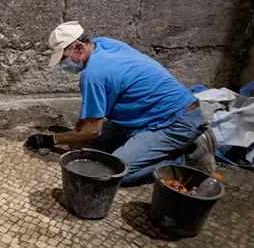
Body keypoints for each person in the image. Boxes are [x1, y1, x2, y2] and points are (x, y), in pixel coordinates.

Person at [25, 22, 216, 186]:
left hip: (173, 122)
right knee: (92, 147)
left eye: (65, 58)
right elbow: (90, 124)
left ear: (79, 47)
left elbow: (92, 130)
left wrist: (53, 140)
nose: (63, 65)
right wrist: (76, 135)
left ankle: (182, 158)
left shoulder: (93, 75)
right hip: (149, 115)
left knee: (112, 174)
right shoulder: (103, 44)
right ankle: (153, 147)